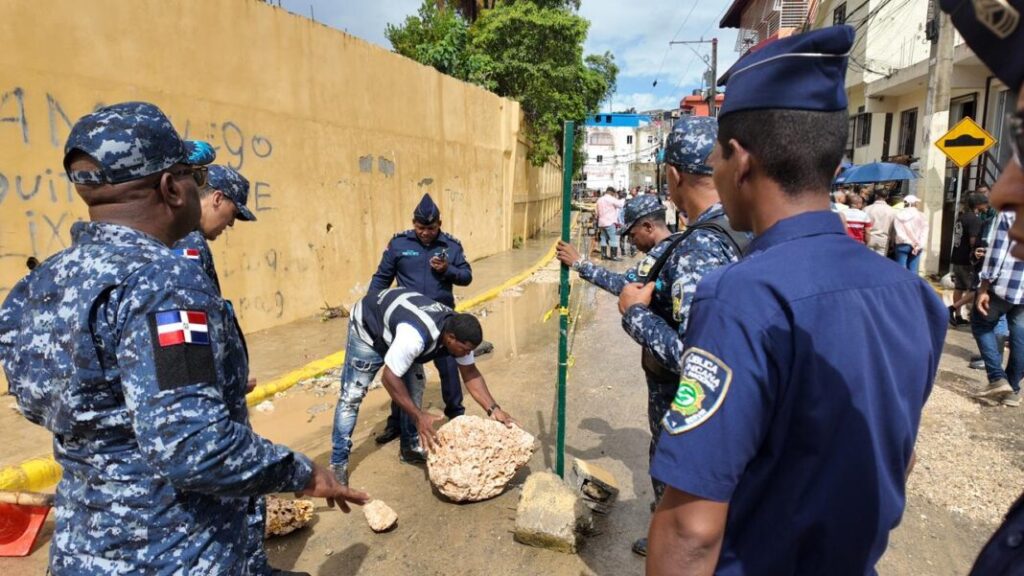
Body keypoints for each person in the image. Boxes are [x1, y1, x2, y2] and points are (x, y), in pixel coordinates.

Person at [0, 102, 367, 575]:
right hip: (178, 551)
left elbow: (41, 405)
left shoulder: (38, 285)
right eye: (194, 177)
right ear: (172, 187)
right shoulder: (162, 280)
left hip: (83, 551)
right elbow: (193, 446)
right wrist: (304, 472)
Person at [645, 27, 947, 575]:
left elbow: (691, 527)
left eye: (715, 160)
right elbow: (896, 458)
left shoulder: (741, 297)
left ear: (739, 161)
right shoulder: (914, 296)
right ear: (833, 166)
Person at [556, 116, 747, 557]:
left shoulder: (696, 247)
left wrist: (635, 316)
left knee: (680, 476)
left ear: (674, 176)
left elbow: (697, 359)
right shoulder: (745, 230)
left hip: (689, 401)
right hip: (740, 407)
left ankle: (672, 543)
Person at [171, 164, 297, 576]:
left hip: (222, 389)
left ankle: (252, 566)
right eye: (232, 214)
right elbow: (187, 329)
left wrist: (229, 373)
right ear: (217, 198)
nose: (231, 225)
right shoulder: (187, 249)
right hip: (213, 403)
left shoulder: (186, 244)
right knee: (239, 487)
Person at [942, 1, 1024, 571]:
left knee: (987, 323)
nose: (1002, 190)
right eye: (1016, 138)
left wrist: (983, 283)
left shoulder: (995, 224)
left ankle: (999, 377)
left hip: (996, 276)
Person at [329, 288, 516, 485]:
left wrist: (494, 409)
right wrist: (418, 416)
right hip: (369, 328)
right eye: (465, 350)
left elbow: (470, 373)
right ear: (451, 338)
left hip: (399, 327)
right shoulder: (415, 337)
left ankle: (410, 447)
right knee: (351, 397)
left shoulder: (456, 332)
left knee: (415, 385)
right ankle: (337, 464)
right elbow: (389, 378)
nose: (466, 354)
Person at [369, 193, 473, 451]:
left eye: (430, 228)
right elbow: (381, 279)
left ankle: (456, 416)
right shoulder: (399, 244)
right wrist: (373, 311)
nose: (425, 232)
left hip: (443, 324)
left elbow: (467, 276)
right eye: (420, 227)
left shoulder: (451, 246)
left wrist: (447, 270)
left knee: (449, 370)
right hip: (409, 325)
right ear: (413, 223)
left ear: (439, 224)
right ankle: (396, 423)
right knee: (400, 371)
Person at [971, 211, 1024, 408]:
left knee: (980, 323)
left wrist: (984, 285)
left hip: (1005, 285)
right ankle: (1012, 390)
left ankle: (997, 378)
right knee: (1021, 338)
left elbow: (998, 251)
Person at [950, 193, 990, 325]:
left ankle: (957, 316)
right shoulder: (975, 220)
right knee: (976, 290)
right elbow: (974, 241)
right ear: (978, 205)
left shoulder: (961, 217)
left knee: (959, 287)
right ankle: (953, 309)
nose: (987, 205)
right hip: (968, 260)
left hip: (957, 256)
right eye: (985, 203)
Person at [893, 194, 928, 274]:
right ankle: (912, 286)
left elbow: (899, 232)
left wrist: (909, 242)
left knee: (900, 270)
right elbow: (924, 232)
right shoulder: (922, 216)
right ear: (914, 204)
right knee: (913, 271)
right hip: (917, 245)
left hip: (902, 244)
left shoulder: (899, 215)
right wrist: (919, 245)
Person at [864, 186, 897, 256]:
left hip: (869, 237)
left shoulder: (867, 209)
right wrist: (892, 242)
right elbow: (893, 229)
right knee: (881, 263)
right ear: (887, 197)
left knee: (868, 260)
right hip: (884, 239)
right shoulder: (892, 211)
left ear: (876, 196)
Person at [596, 186, 625, 260]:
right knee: (613, 239)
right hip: (610, 222)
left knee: (603, 238)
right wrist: (622, 199)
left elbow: (597, 212)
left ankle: (603, 255)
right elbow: (620, 205)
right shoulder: (611, 199)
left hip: (601, 222)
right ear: (612, 192)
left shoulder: (599, 199)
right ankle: (614, 256)